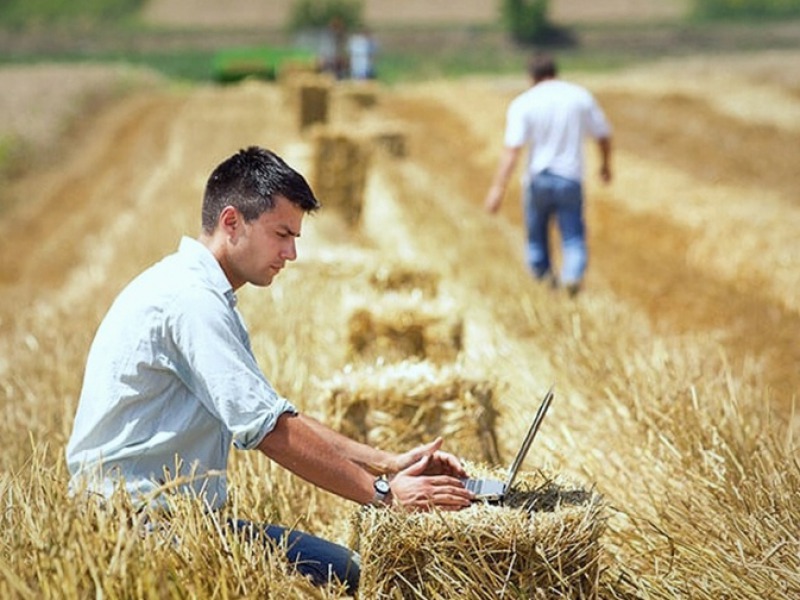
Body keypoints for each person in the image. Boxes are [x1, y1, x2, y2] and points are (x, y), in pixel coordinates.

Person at [66, 146, 473, 594]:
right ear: (231, 222)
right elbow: (270, 432)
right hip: (137, 533)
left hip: (173, 521)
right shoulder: (191, 302)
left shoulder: (197, 291)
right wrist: (385, 496)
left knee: (347, 570)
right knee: (350, 577)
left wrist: (388, 463)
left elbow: (274, 413)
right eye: (282, 234)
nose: (292, 253)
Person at [484, 53, 612, 296]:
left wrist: (498, 189)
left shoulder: (524, 102)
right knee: (573, 237)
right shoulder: (579, 97)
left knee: (536, 239)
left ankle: (544, 285)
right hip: (570, 178)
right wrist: (605, 166)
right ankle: (572, 277)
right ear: (555, 72)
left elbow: (512, 150)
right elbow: (603, 135)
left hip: (537, 179)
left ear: (531, 77)